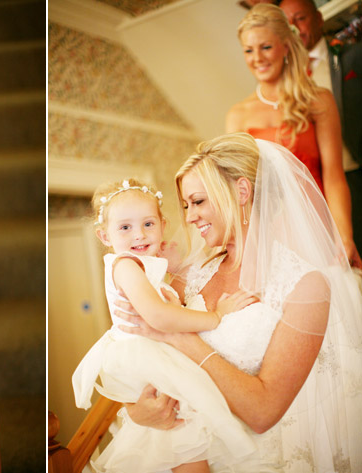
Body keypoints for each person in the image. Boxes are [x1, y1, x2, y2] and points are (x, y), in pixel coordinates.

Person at [115, 133, 362, 472]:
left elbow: (263, 412)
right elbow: (146, 356)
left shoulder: (306, 286)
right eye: (187, 205)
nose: (189, 217)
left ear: (242, 192)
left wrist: (178, 336)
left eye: (198, 202)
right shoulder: (192, 274)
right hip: (185, 451)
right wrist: (136, 410)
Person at [72, 178, 257, 473]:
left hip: (150, 356)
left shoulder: (142, 266)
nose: (139, 235)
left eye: (148, 224)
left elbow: (164, 302)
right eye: (125, 227)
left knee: (181, 435)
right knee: (184, 432)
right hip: (147, 358)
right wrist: (216, 317)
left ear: (162, 224)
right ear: (104, 235)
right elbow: (160, 317)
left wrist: (171, 268)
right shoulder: (126, 267)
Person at [225, 4, 362, 268]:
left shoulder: (319, 100)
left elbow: (334, 176)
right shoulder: (237, 116)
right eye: (248, 50)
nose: (257, 58)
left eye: (266, 47)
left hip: (320, 229)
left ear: (286, 46)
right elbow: (238, 194)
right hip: (271, 237)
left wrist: (344, 236)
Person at [278, 0, 362, 276]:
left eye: (300, 19)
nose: (295, 28)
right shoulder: (279, 78)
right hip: (317, 190)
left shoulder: (352, 56)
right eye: (288, 22)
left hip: (355, 170)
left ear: (317, 19)